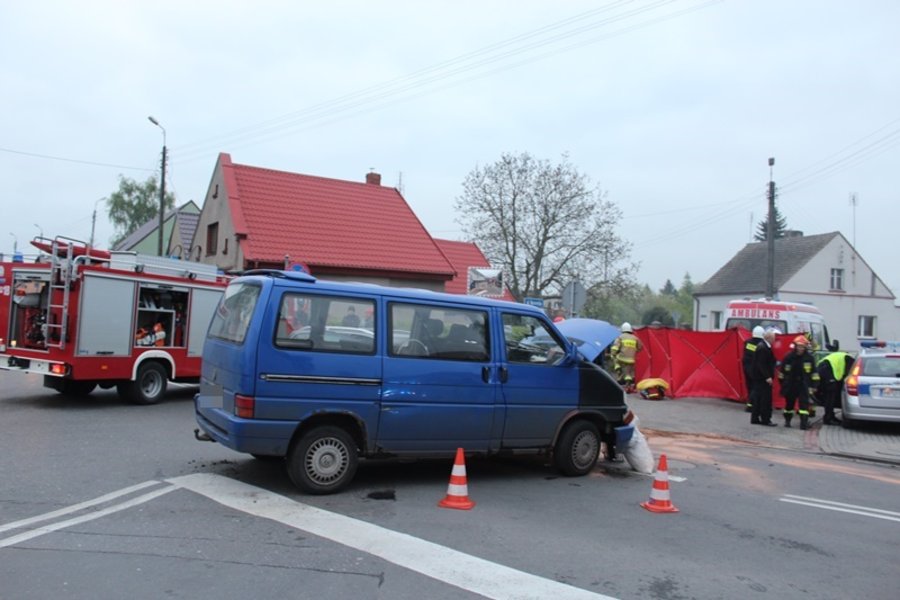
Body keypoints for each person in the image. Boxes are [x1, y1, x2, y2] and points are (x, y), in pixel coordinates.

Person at [778, 335, 820, 430]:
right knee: (789, 405)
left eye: (802, 346)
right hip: (791, 385)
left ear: (805, 347)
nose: (800, 348)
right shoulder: (788, 357)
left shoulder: (809, 358)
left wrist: (815, 385)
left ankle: (803, 424)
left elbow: (814, 373)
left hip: (803, 385)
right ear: (795, 346)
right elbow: (782, 373)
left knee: (804, 405)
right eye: (799, 346)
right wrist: (783, 384)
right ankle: (787, 421)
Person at [815, 342, 855, 425]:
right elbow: (848, 375)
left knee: (830, 395)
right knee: (830, 396)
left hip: (822, 369)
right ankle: (828, 418)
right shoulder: (851, 360)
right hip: (827, 372)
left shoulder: (845, 356)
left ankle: (830, 416)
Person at [749, 327, 778, 426]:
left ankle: (755, 417)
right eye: (774, 338)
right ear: (769, 338)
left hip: (759, 378)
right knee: (765, 399)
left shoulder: (763, 346)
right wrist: (768, 377)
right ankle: (765, 419)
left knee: (758, 398)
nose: (775, 340)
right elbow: (761, 364)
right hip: (762, 378)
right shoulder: (763, 348)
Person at [611, 322, 642, 392]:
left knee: (614, 358)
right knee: (629, 373)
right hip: (631, 359)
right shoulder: (635, 338)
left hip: (622, 358)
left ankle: (618, 370)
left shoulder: (620, 337)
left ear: (622, 329)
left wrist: (613, 354)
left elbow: (615, 348)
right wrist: (634, 351)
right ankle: (628, 386)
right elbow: (640, 347)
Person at [742, 326, 766, 413]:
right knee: (756, 388)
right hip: (756, 369)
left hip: (747, 368)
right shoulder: (762, 344)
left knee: (750, 386)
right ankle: (752, 405)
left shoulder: (747, 343)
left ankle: (750, 405)